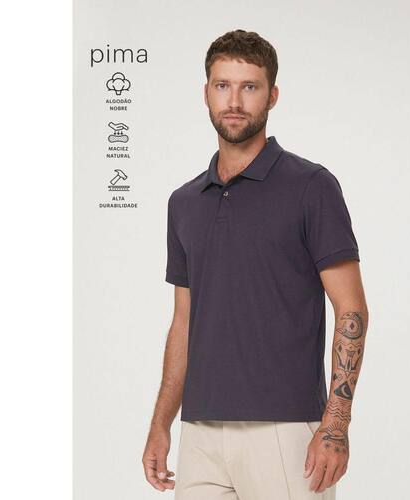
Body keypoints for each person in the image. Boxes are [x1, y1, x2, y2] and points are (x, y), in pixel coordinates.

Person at [142, 29, 369, 499]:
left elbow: (351, 310)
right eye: (222, 85)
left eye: (249, 87)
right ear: (206, 93)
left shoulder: (311, 187)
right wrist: (161, 423)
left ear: (272, 96)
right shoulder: (184, 202)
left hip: (285, 431)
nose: (234, 101)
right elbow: (183, 322)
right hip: (201, 433)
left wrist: (335, 426)